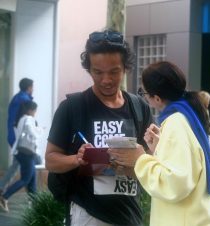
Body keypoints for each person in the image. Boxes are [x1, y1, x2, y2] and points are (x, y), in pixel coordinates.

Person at [45, 29, 152, 226]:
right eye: (97, 72)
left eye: (114, 72)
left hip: (130, 214)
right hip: (88, 214)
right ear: (89, 69)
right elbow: (50, 160)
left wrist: (142, 157)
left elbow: (152, 161)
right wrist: (76, 159)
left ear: (125, 68)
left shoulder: (139, 107)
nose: (106, 80)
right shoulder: (72, 107)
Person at [108, 61, 210, 226]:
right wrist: (161, 149)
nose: (144, 97)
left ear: (157, 98)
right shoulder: (197, 115)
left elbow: (174, 184)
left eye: (144, 92)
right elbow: (196, 165)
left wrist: (140, 159)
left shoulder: (176, 123)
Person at [0, 100, 40, 212]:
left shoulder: (21, 118)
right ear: (31, 110)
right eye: (35, 110)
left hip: (22, 152)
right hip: (27, 153)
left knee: (32, 180)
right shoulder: (28, 119)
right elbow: (33, 134)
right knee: (26, 179)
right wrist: (40, 130)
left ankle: (35, 204)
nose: (35, 113)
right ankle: (5, 196)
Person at [0, 78, 33, 194]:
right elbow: (25, 121)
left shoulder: (17, 98)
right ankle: (6, 194)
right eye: (32, 87)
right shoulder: (24, 100)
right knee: (29, 170)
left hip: (15, 137)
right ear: (29, 88)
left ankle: (2, 187)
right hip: (19, 140)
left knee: (16, 165)